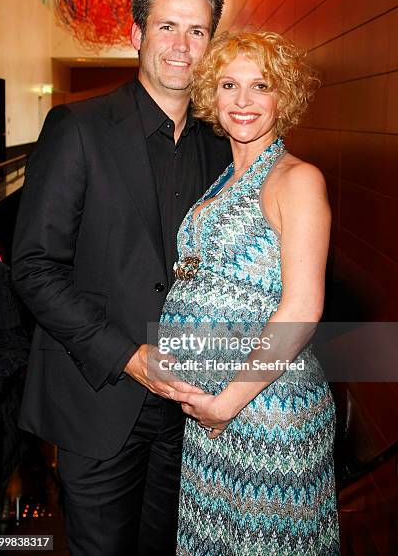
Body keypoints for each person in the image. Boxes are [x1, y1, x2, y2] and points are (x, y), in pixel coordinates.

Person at [11, 0, 231, 555]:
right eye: (167, 27)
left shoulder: (221, 144)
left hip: (191, 409)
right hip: (101, 397)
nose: (182, 46)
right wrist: (128, 357)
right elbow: (33, 266)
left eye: (198, 31)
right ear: (136, 35)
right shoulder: (77, 128)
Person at [159, 31, 340, 554]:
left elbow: (302, 308)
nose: (242, 101)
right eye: (228, 85)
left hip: (264, 409)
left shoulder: (296, 179)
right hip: (211, 411)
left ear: (283, 97)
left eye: (260, 86)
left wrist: (227, 403)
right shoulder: (225, 178)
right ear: (210, 96)